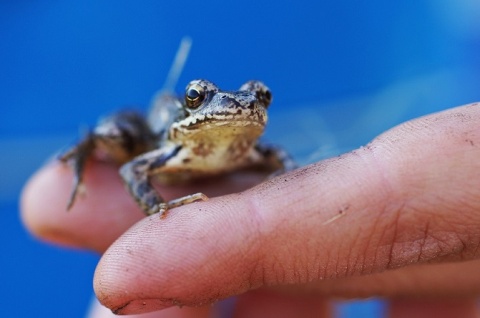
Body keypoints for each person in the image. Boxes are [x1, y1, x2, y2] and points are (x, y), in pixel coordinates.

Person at [21, 102, 480, 318]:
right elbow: (131, 173)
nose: (236, 105)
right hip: (172, 143)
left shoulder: (254, 150)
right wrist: (160, 211)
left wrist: (291, 188)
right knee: (115, 132)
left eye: (257, 98)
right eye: (202, 98)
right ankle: (80, 151)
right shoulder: (164, 152)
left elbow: (280, 157)